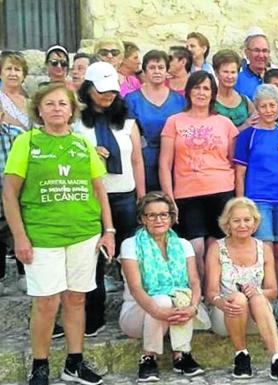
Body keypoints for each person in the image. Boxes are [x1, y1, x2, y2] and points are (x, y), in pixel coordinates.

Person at [3, 83, 115, 385]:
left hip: (84, 234)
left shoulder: (81, 145)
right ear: (39, 110)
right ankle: (40, 365)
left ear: (71, 110)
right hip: (42, 236)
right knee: (46, 302)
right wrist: (20, 237)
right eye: (49, 104)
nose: (56, 109)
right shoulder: (26, 143)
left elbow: (98, 189)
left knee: (76, 299)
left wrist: (109, 231)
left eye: (62, 104)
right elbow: (10, 193)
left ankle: (74, 363)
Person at [74, 62, 146, 336]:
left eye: (112, 92)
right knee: (92, 257)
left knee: (128, 253)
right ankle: (94, 314)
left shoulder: (127, 121)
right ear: (88, 89)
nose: (107, 96)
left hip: (125, 195)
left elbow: (137, 160)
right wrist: (92, 154)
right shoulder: (77, 123)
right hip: (91, 197)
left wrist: (141, 195)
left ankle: (134, 309)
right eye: (102, 91)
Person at [205, 197, 278, 384]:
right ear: (227, 223)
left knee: (257, 296)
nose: (242, 225)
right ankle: (241, 356)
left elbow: (272, 290)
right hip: (226, 314)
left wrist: (257, 291)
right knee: (238, 298)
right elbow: (211, 292)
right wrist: (222, 302)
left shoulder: (264, 249)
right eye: (236, 220)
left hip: (257, 316)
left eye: (247, 220)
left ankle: (277, 360)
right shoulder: (216, 248)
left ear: (255, 223)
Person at [160, 71, 239, 285]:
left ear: (213, 94)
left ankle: (216, 292)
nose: (201, 92)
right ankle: (200, 292)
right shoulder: (174, 122)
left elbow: (234, 161)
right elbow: (165, 163)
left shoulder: (225, 123)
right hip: (187, 193)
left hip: (221, 190)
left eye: (206, 88)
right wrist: (169, 199)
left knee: (217, 247)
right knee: (195, 248)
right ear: (188, 91)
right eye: (197, 87)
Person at [119, 192, 204, 382]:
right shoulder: (130, 245)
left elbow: (194, 282)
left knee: (182, 296)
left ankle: (182, 355)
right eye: (151, 215)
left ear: (171, 218)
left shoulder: (183, 245)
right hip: (137, 313)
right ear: (142, 219)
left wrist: (193, 307)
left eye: (164, 214)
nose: (158, 219)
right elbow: (135, 288)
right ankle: (148, 358)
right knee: (164, 300)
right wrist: (158, 311)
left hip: (175, 310)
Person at [234, 84, 278, 293]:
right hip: (258, 200)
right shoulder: (247, 136)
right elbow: (239, 173)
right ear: (256, 108)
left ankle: (275, 293)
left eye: (272, 105)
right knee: (265, 248)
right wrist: (241, 203)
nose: (268, 110)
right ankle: (262, 293)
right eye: (263, 106)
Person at [125, 50, 186, 192]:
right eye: (152, 68)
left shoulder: (179, 100)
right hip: (143, 161)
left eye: (161, 67)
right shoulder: (131, 99)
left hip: (174, 162)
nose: (157, 72)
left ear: (167, 71)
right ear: (145, 71)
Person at [0, 51, 30, 296]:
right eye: (9, 68)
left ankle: (24, 272)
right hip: (2, 167)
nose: (13, 73)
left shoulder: (28, 101)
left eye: (17, 70)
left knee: (23, 220)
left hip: (26, 169)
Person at [213, 49, 257, 130]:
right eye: (225, 72)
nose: (230, 76)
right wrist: (244, 126)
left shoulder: (245, 101)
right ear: (216, 73)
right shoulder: (209, 101)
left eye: (233, 72)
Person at [235, 34, 270, 100]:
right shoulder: (237, 80)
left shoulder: (275, 78)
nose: (261, 55)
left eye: (265, 51)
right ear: (247, 53)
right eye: (256, 50)